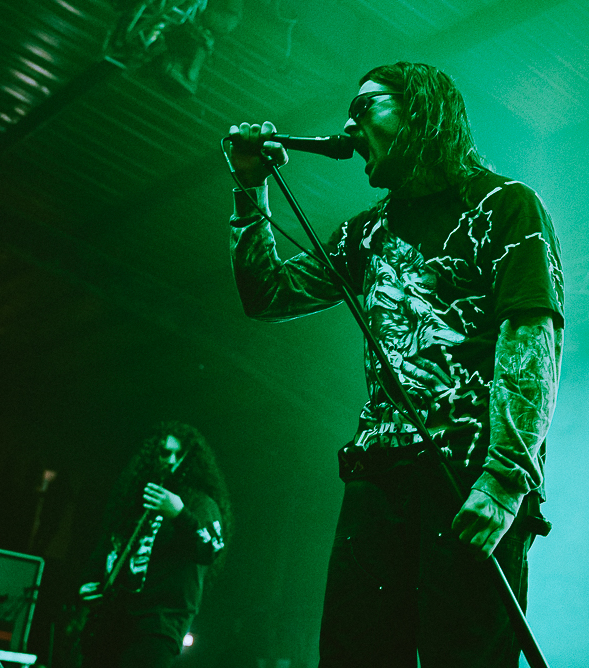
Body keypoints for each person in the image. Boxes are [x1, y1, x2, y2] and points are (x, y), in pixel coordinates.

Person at [226, 61, 563, 667]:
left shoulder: (505, 205)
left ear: (421, 112)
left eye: (366, 107)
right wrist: (251, 187)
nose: (349, 128)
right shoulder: (367, 232)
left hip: (466, 475)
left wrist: (505, 478)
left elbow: (531, 337)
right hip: (377, 477)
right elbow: (267, 294)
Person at [79, 422, 230, 668]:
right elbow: (109, 543)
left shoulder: (200, 503)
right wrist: (89, 579)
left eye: (179, 454)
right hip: (113, 619)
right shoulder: (134, 500)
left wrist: (180, 514)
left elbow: (211, 549)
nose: (171, 460)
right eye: (165, 453)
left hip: (159, 625)